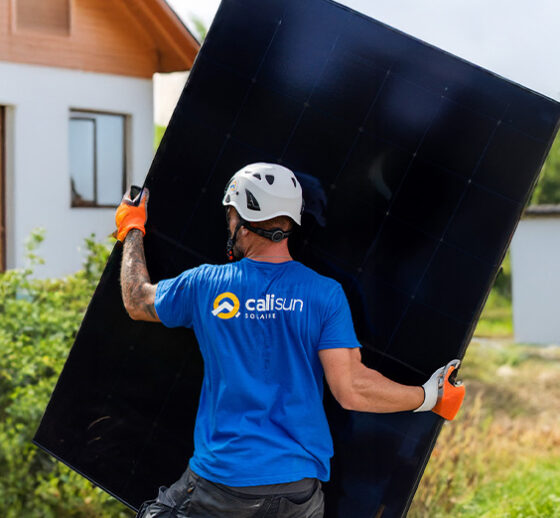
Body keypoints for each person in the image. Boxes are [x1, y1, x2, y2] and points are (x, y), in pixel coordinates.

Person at [116, 163, 465, 518]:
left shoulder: (205, 284)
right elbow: (352, 389)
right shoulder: (325, 294)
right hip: (298, 496)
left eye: (230, 214)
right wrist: (429, 396)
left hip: (222, 486)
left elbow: (136, 299)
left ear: (241, 217)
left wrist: (132, 227)